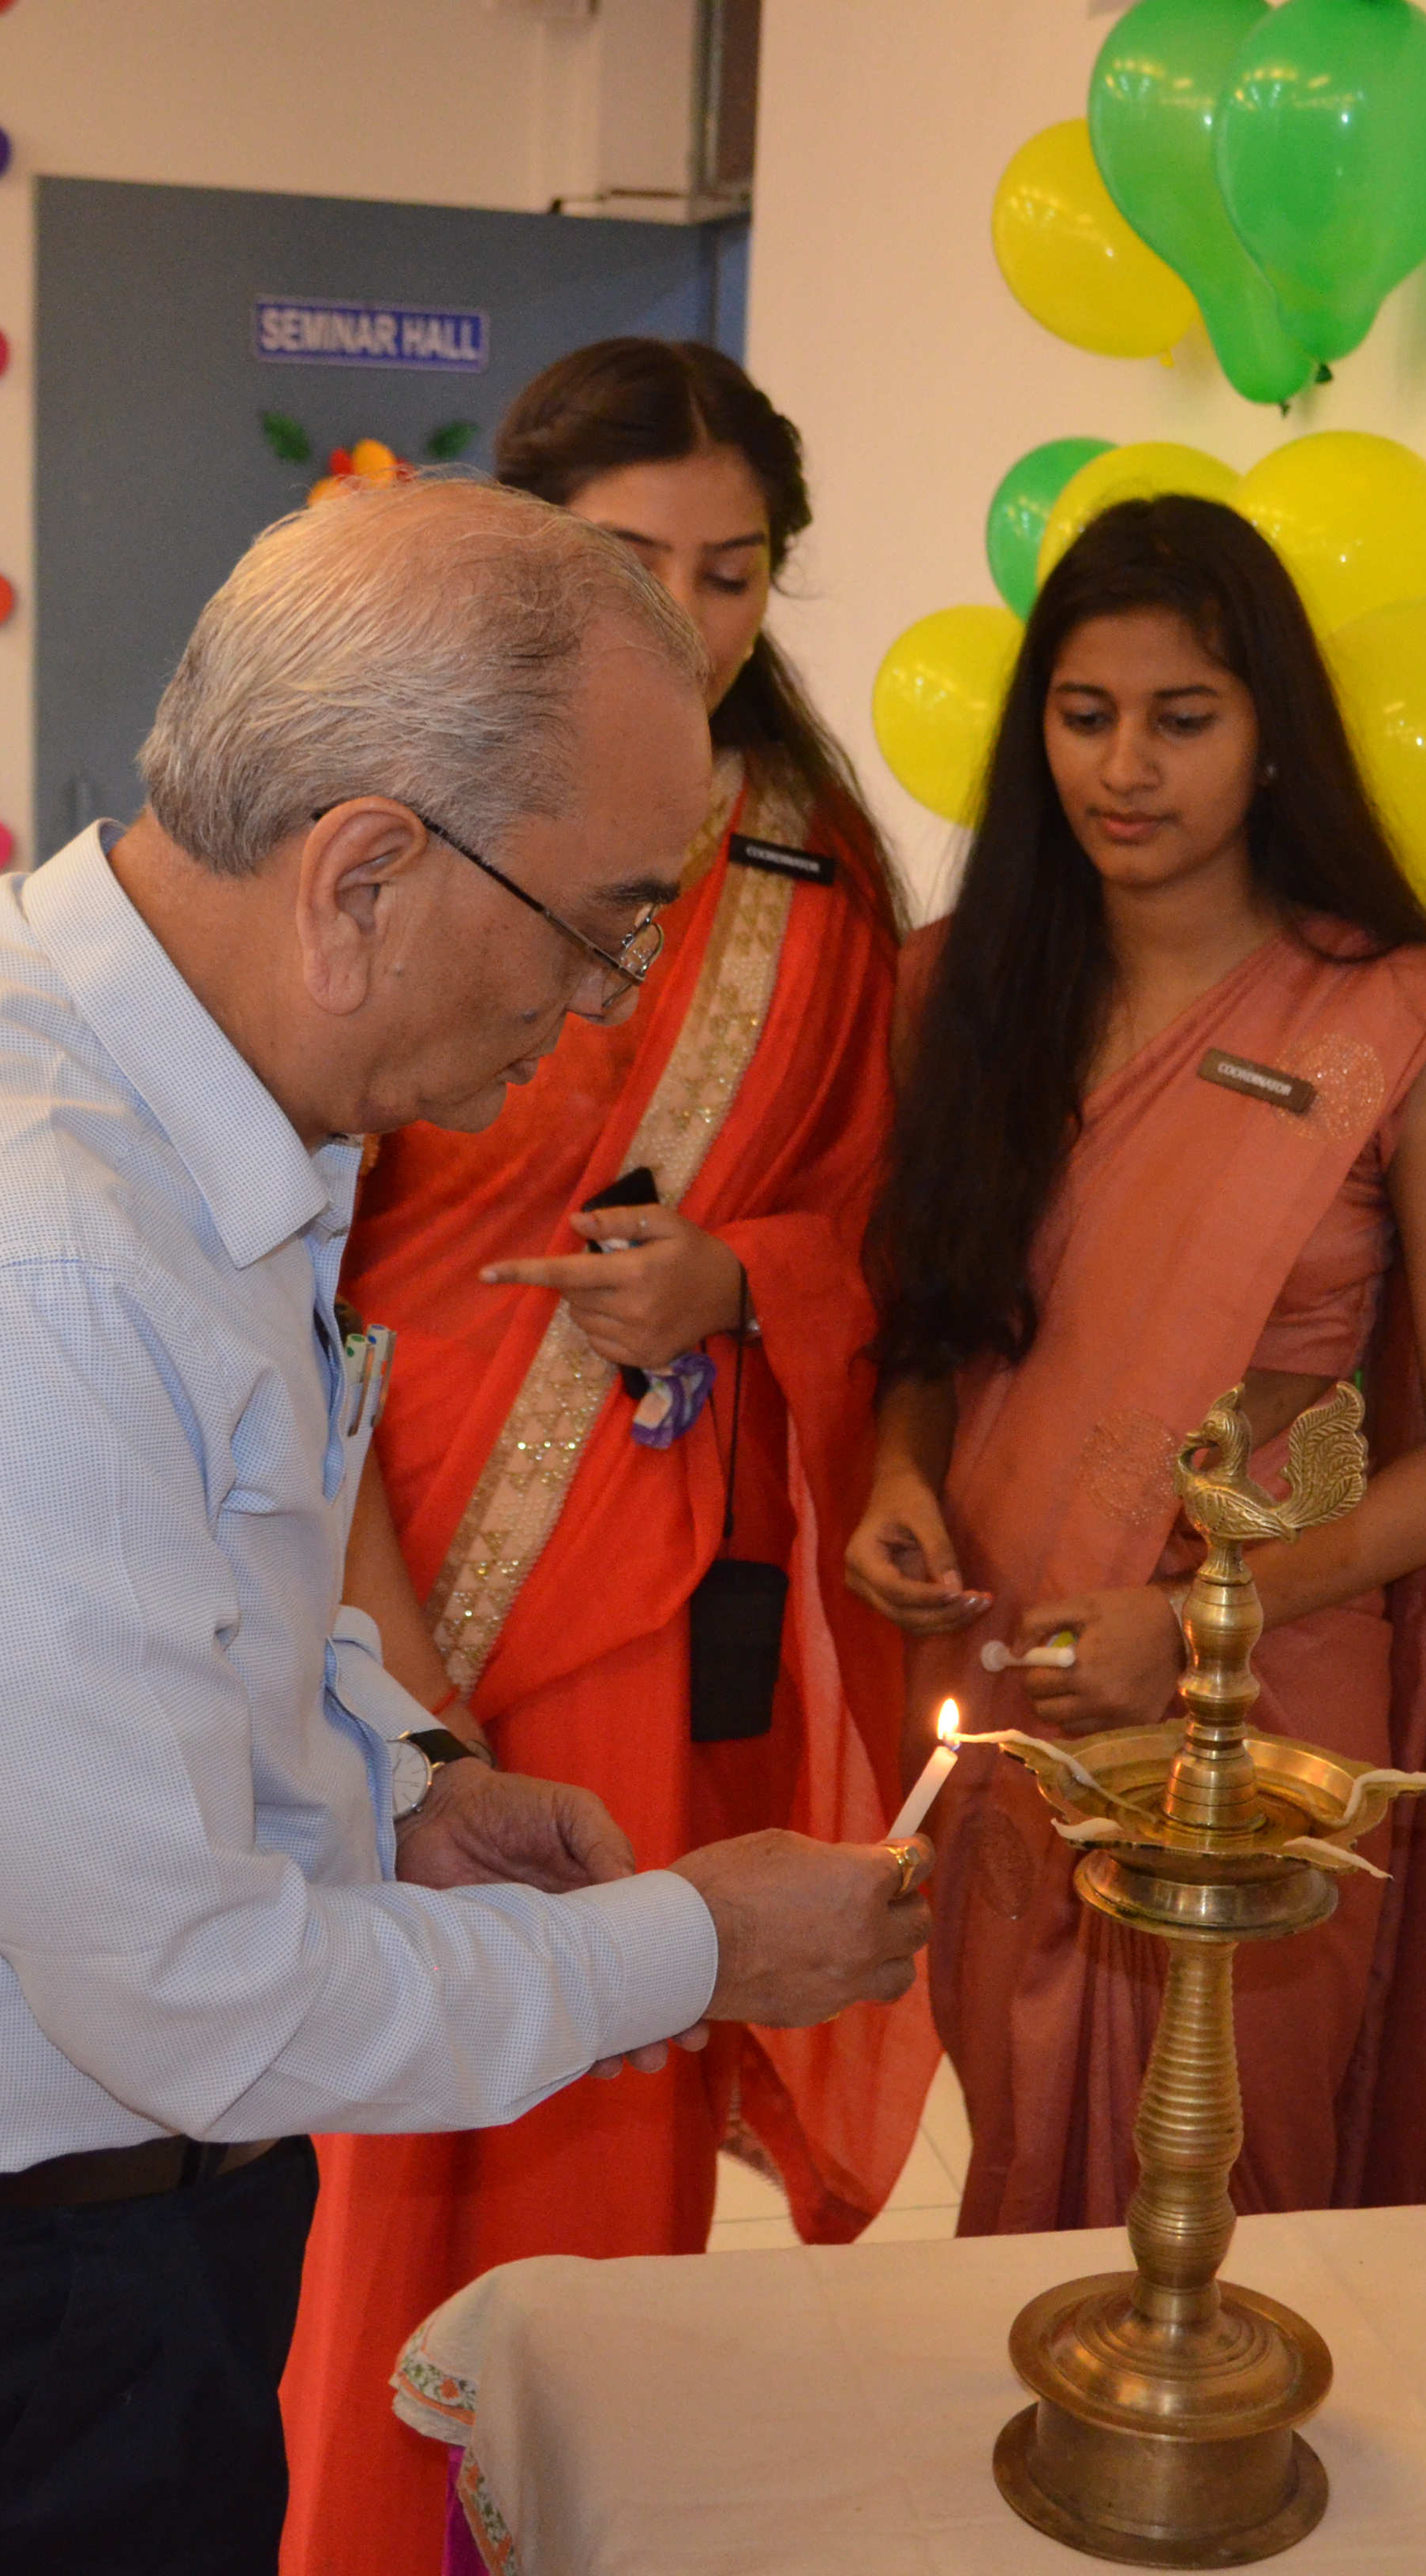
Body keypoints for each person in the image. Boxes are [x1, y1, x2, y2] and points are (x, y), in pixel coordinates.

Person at [0, 477, 934, 2576]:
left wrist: (402, 1782)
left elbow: (214, 1558)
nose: (606, 1007)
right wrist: (693, 1945)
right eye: (601, 925)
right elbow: (191, 1996)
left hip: (86, 2239)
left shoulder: (132, 1039)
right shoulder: (23, 1264)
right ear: (365, 875)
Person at [280, 338, 935, 2574]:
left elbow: (876, 1219)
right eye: (631, 558)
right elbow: (298, 1203)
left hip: (647, 1560)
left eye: (735, 571)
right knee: (376, 2096)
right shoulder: (393, 816)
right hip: (369, 1535)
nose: (689, 612)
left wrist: (737, 1280)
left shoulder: (815, 875)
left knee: (602, 2058)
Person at [844, 494, 1426, 2233]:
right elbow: (934, 1322)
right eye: (1084, 715)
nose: (1126, 768)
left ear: (1272, 736)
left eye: (1183, 718)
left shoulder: (1401, 1022)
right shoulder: (962, 995)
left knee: (1240, 2161)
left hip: (1268, 1691)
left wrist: (1196, 1623)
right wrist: (898, 1475)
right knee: (1024, 2134)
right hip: (1024, 1647)